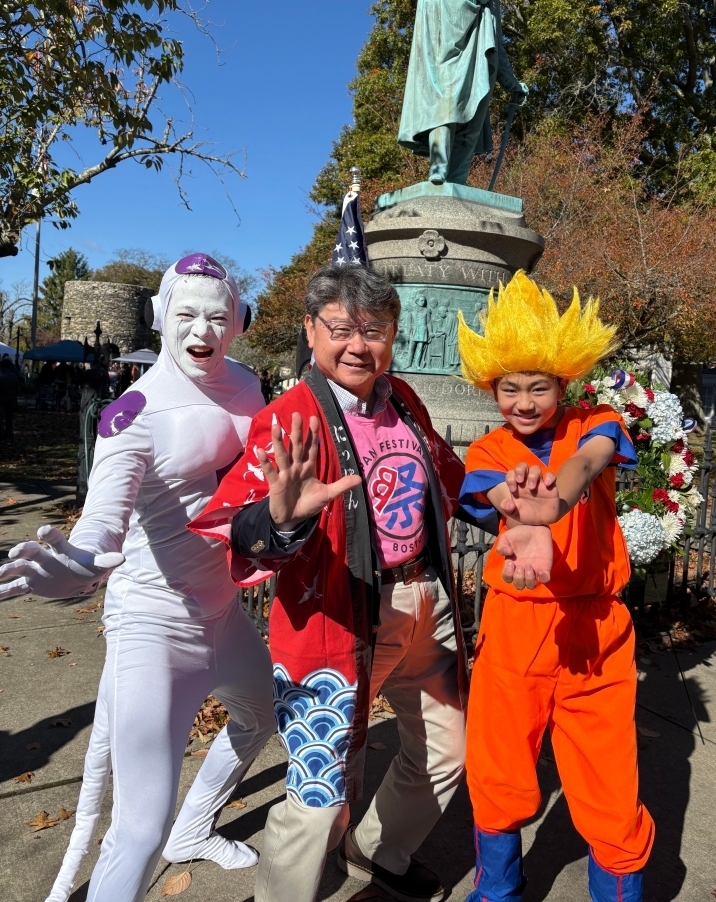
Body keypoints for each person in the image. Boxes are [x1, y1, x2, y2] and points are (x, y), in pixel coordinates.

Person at [191, 263, 490, 902]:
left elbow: (450, 477)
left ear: (393, 335)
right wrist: (280, 519)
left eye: (374, 330)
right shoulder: (289, 418)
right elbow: (235, 525)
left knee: (447, 751)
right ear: (311, 330)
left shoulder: (402, 398)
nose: (358, 346)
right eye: (341, 329)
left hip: (426, 601)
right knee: (317, 793)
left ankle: (379, 851)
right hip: (337, 617)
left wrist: (519, 507)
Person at [0, 254, 276, 902]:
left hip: (224, 614)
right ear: (159, 316)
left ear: (238, 320)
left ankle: (195, 828)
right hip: (153, 626)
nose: (202, 330)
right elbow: (102, 523)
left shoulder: (250, 384)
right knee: (139, 829)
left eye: (217, 316)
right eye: (188, 314)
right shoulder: (134, 412)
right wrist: (75, 567)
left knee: (261, 716)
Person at [456, 272, 655, 902]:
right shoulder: (487, 450)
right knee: (498, 766)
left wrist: (554, 506)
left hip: (596, 629)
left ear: (562, 386)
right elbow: (496, 495)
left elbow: (586, 462)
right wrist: (523, 517)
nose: (524, 402)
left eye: (538, 387)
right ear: (491, 389)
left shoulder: (598, 420)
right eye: (509, 388)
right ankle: (497, 892)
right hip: (515, 626)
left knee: (608, 777)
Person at [398, 0, 528, 184]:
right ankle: (439, 168)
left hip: (483, 61)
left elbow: (495, 35)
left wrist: (511, 82)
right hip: (448, 53)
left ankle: (457, 181)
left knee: (472, 125)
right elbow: (441, 3)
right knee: (446, 108)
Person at [0, 354, 19, 440]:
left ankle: (1, 432)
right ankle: (9, 432)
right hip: (10, 399)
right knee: (9, 416)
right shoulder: (13, 376)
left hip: (1, 398)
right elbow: (17, 388)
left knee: (1, 416)